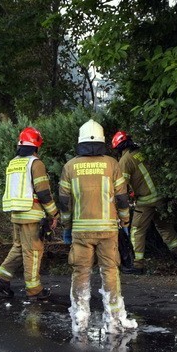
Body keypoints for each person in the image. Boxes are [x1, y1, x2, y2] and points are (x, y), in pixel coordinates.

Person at [59, 119, 138, 334]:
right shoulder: (112, 164)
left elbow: (64, 202)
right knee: (110, 271)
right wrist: (125, 221)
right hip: (108, 231)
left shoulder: (70, 166)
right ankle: (114, 317)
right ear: (103, 140)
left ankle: (80, 316)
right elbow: (122, 198)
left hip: (81, 231)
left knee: (81, 272)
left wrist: (66, 226)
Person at [0, 127, 59, 300]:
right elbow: (43, 192)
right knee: (33, 251)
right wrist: (54, 213)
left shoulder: (13, 162)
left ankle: (1, 279)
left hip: (16, 214)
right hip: (32, 214)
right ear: (36, 146)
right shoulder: (36, 164)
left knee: (18, 248)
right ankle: (34, 290)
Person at [110, 130, 177, 273]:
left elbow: (122, 186)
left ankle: (137, 265)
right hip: (162, 197)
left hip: (146, 201)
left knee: (137, 231)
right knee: (165, 227)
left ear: (119, 147)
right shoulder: (142, 152)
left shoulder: (125, 160)